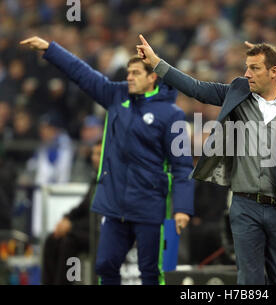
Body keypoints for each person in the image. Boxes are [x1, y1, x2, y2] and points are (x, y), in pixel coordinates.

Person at [137, 35, 276, 285]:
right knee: (249, 280)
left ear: (273, 71)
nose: (247, 73)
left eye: (255, 68)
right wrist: (157, 63)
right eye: (246, 67)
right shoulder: (237, 91)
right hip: (245, 205)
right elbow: (195, 88)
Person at [20, 36, 194, 285]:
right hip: (114, 205)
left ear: (152, 77)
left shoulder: (173, 115)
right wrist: (50, 49)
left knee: (150, 272)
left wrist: (182, 208)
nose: (129, 77)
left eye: (135, 73)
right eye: (128, 73)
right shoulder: (116, 96)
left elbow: (182, 166)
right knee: (104, 265)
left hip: (149, 206)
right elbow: (82, 74)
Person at [41, 140, 101, 285]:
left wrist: (72, 227)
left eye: (99, 154)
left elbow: (97, 216)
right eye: (93, 153)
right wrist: (66, 219)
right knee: (52, 240)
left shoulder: (111, 182)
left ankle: (66, 282)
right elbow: (82, 208)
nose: (94, 157)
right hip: (85, 229)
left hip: (99, 232)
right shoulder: (95, 180)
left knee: (69, 242)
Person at [26, 111, 74, 238]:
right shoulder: (45, 145)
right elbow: (32, 165)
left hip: (57, 193)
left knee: (53, 231)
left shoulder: (63, 144)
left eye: (47, 128)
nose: (43, 131)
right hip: (42, 193)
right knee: (39, 231)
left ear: (55, 129)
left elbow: (56, 172)